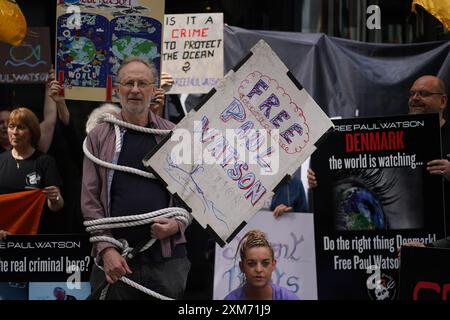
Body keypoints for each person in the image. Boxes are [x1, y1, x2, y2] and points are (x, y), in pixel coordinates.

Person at [81, 57, 191, 300]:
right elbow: (90, 202)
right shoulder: (98, 137)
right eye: (128, 83)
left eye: (142, 83)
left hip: (166, 259)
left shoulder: (173, 135)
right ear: (116, 89)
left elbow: (192, 195)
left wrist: (177, 224)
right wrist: (106, 249)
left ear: (154, 90)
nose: (135, 90)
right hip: (115, 260)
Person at [308, 75, 449, 230]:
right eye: (412, 93)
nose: (415, 98)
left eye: (423, 94)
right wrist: (321, 178)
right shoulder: (397, 134)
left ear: (442, 101)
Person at [0, 107, 64, 235]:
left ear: (32, 132)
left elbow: (56, 205)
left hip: (34, 239)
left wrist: (55, 198)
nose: (14, 132)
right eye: (11, 127)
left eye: (21, 127)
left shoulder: (45, 162)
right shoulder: (1, 160)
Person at [224, 229, 298, 300]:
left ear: (273, 265)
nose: (258, 269)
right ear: (242, 266)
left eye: (265, 263)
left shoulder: (288, 298)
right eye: (251, 264)